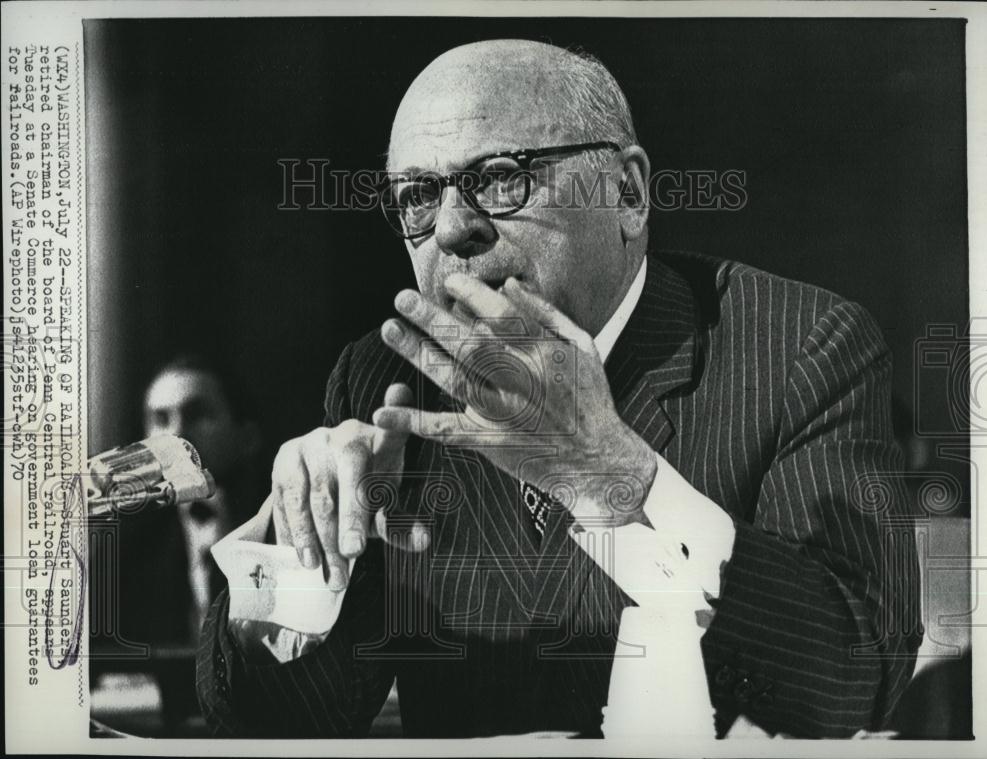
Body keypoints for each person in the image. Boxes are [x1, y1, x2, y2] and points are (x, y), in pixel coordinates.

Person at [196, 39, 921, 739]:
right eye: (417, 195)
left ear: (628, 194)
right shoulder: (386, 384)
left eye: (501, 177)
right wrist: (308, 565)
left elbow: (851, 689)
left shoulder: (800, 348)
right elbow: (277, 726)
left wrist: (618, 481)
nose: (451, 229)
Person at [90, 354, 264, 728]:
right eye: (160, 419)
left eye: (199, 414)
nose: (177, 434)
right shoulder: (118, 549)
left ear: (247, 437)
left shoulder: (284, 529)